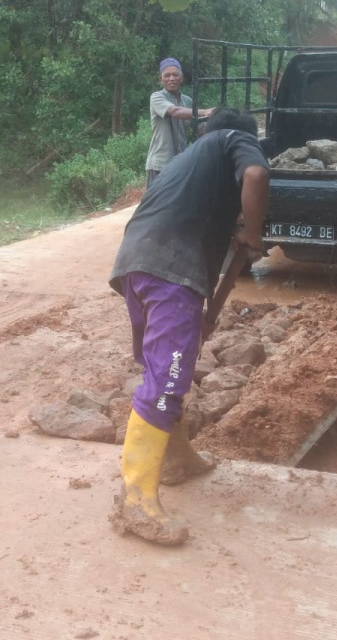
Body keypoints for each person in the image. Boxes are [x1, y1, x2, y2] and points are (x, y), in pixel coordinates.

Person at [110, 107, 270, 546]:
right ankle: (136, 497)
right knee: (168, 378)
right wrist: (253, 234)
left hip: (136, 264)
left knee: (164, 368)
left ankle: (176, 458)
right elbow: (256, 175)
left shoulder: (186, 164)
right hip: (171, 271)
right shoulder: (232, 139)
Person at [145, 57, 213, 187]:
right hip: (160, 164)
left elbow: (200, 128)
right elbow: (174, 111)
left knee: (178, 204)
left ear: (181, 78)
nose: (171, 79)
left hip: (180, 163)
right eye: (167, 75)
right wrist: (205, 112)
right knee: (155, 205)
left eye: (175, 75)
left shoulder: (187, 101)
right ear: (161, 79)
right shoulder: (157, 97)